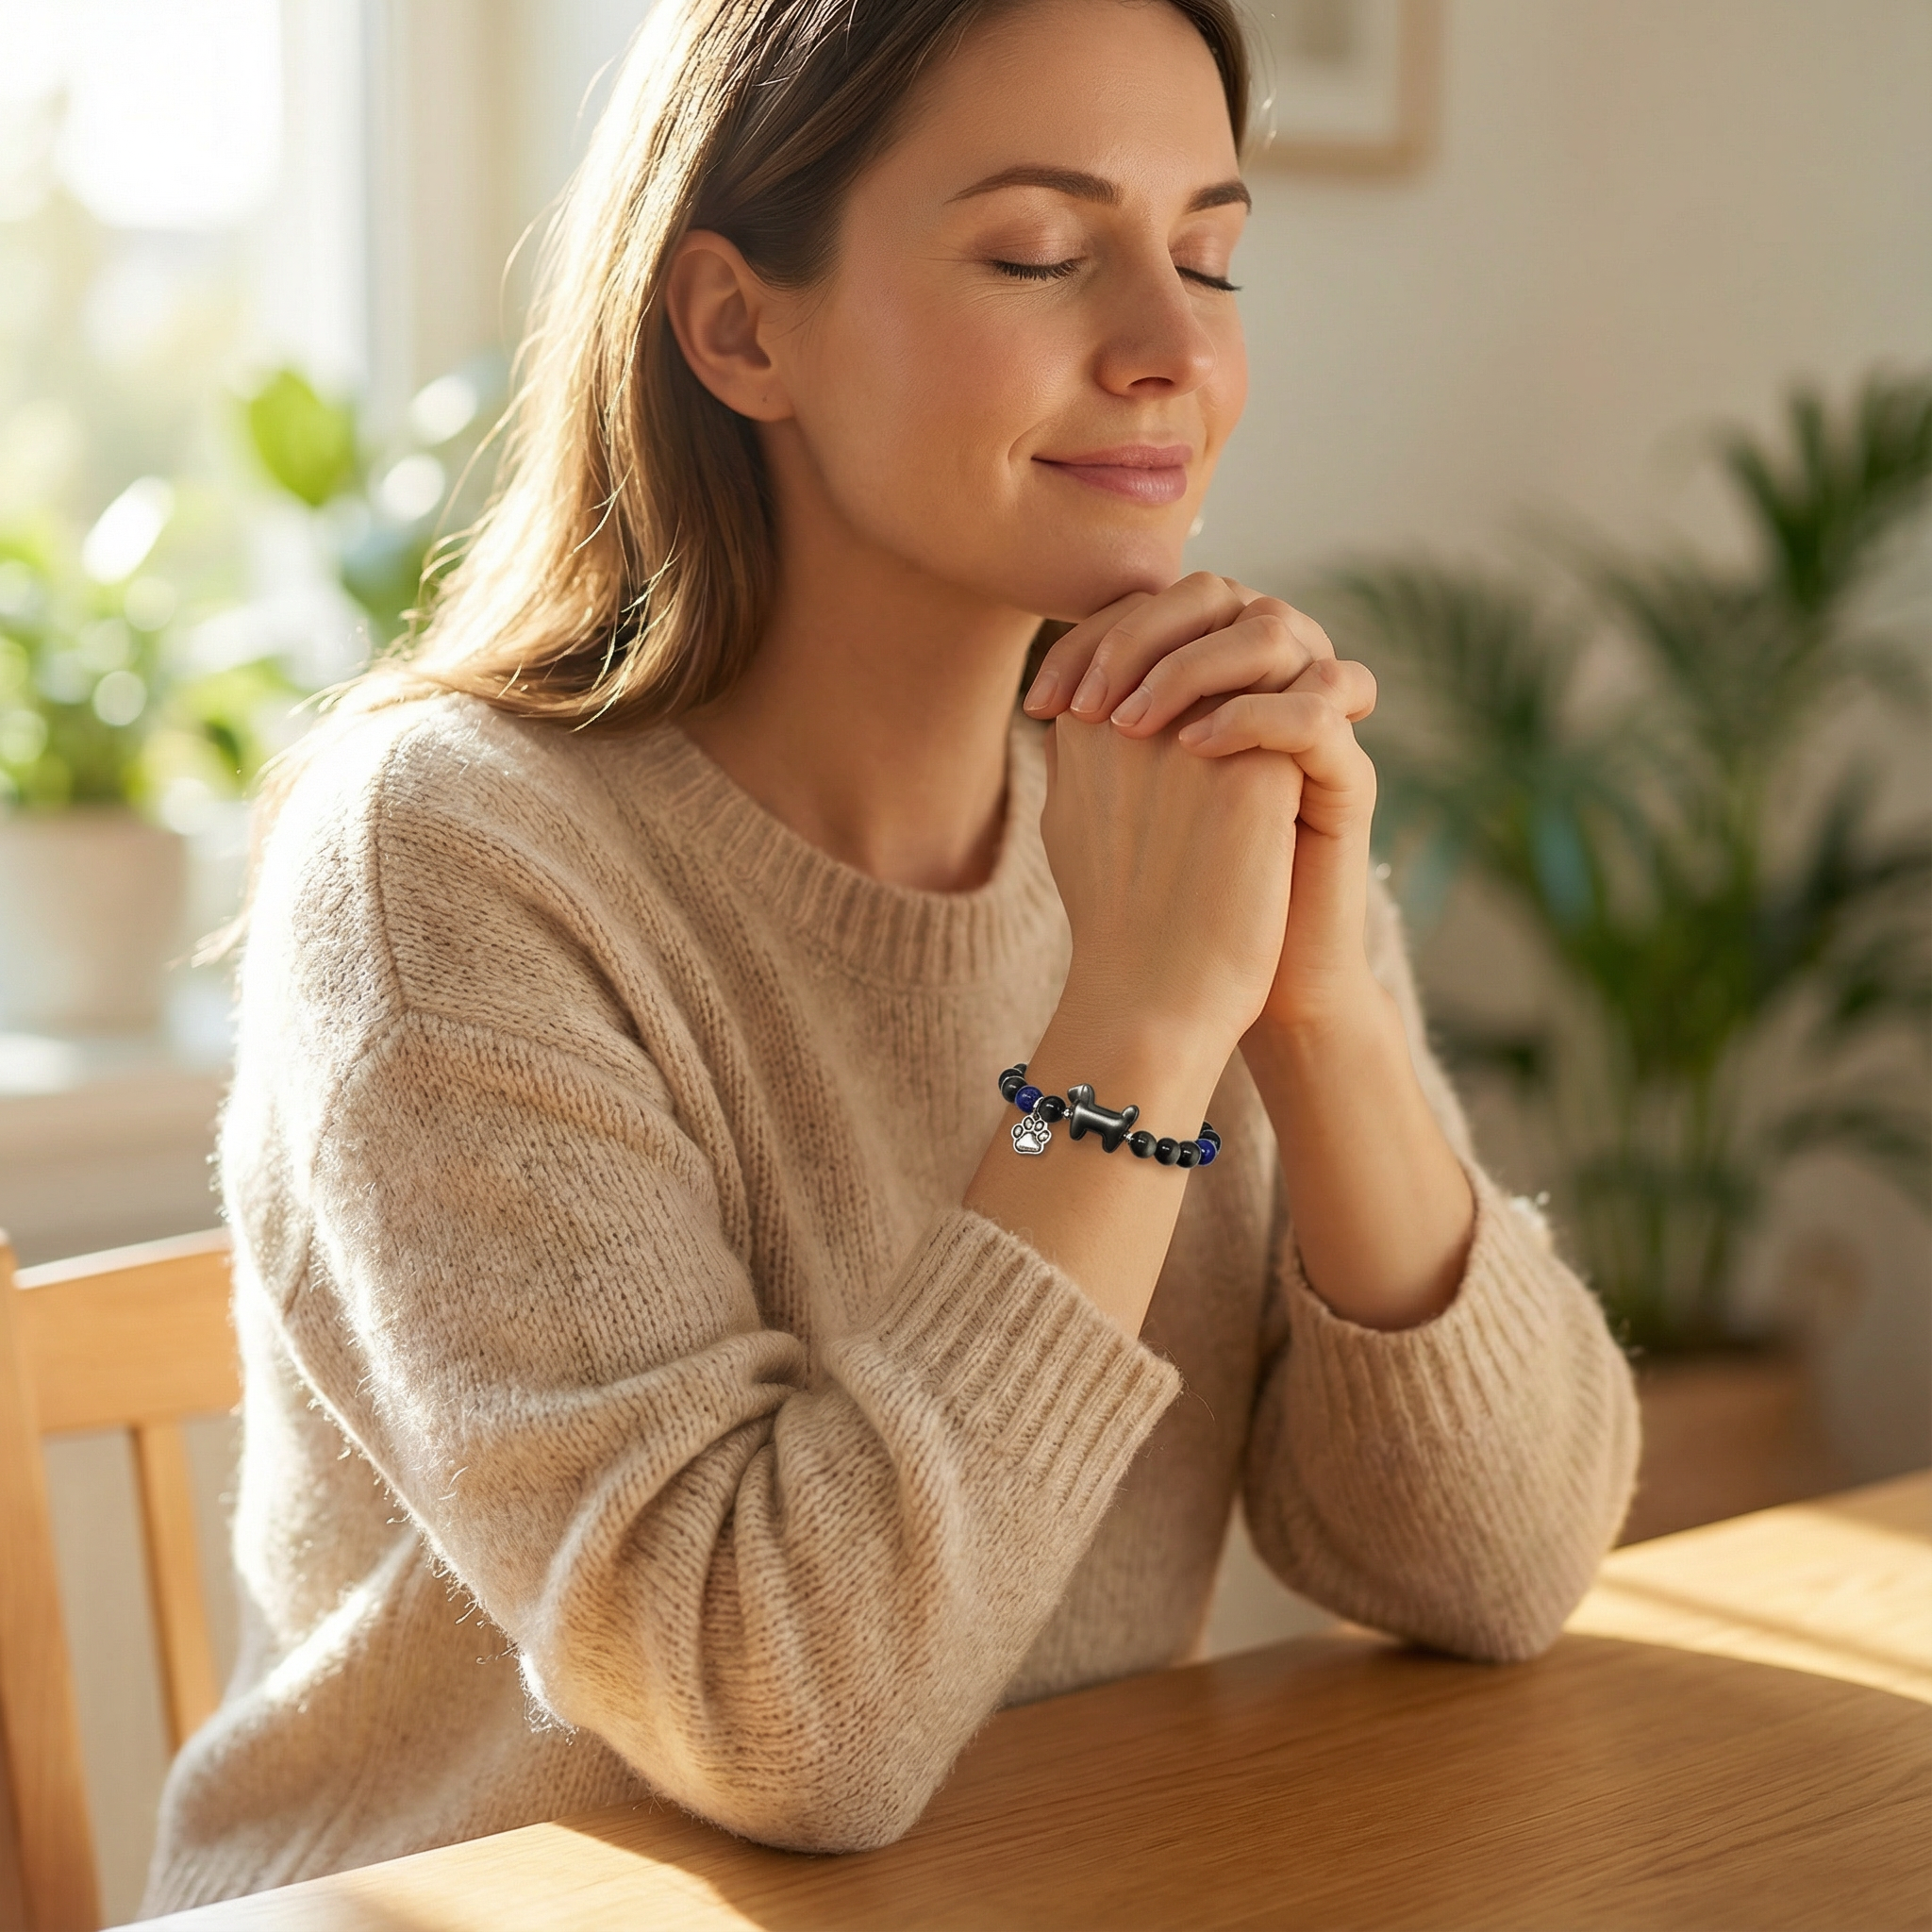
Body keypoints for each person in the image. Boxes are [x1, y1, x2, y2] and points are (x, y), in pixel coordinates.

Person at [143, 0, 1640, 1909]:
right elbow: (788, 1715)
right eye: (1038, 251)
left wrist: (1319, 1003)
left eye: (1211, 255)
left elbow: (1495, 1567)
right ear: (736, 325)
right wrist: (1134, 1027)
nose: (1175, 350)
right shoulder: (448, 853)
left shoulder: (1171, 802)